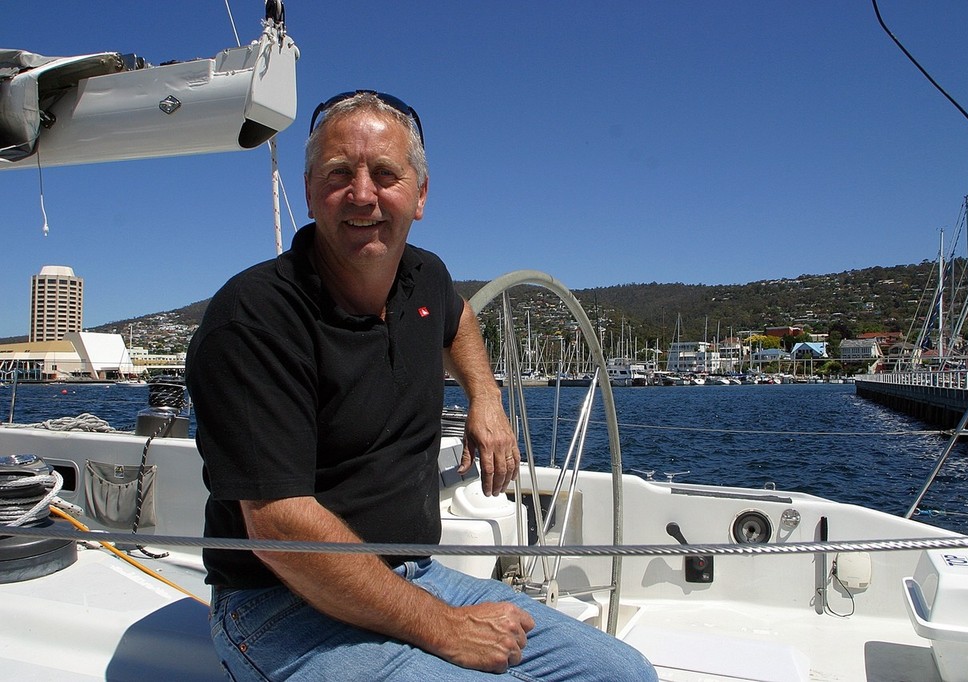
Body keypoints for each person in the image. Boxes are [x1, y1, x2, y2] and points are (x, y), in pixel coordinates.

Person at [186, 90, 657, 681]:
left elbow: (458, 317)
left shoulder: (422, 275)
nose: (363, 195)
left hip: (415, 573)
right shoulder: (255, 318)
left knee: (622, 673)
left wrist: (486, 399)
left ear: (420, 195)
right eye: (338, 174)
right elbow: (278, 527)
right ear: (309, 193)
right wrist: (443, 628)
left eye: (385, 173)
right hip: (279, 603)